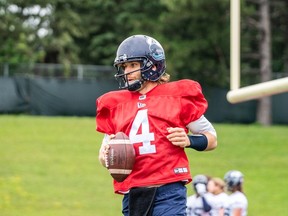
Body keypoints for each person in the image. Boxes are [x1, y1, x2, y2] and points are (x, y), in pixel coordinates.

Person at [96, 34, 217, 216]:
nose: (127, 71)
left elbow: (212, 139)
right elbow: (102, 157)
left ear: (152, 65)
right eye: (124, 66)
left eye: (133, 65)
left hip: (167, 190)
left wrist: (189, 140)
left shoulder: (176, 97)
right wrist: (107, 154)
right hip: (133, 192)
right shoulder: (116, 104)